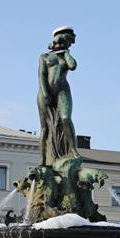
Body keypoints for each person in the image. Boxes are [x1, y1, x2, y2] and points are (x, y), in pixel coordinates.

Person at [37, 27, 80, 165]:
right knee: (45, 128)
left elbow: (73, 66)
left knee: (66, 118)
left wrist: (66, 53)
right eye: (68, 41)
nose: (69, 44)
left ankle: (73, 151)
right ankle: (43, 160)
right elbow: (41, 75)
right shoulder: (44, 57)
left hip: (62, 91)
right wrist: (45, 93)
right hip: (45, 93)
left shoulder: (65, 56)